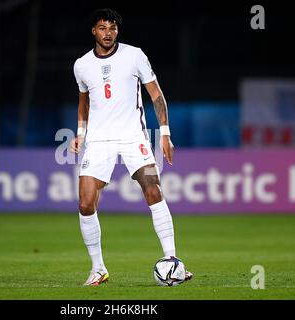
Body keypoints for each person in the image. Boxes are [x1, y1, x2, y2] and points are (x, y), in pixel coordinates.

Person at [70, 8, 193, 286]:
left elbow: (156, 94)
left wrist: (165, 133)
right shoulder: (81, 65)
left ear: (117, 31)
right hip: (99, 140)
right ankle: (98, 268)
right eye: (102, 28)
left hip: (133, 137)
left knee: (153, 189)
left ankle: (173, 261)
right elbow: (84, 101)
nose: (108, 33)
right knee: (85, 203)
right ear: (94, 30)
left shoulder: (134, 55)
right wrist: (80, 133)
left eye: (112, 28)